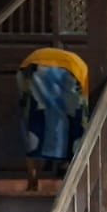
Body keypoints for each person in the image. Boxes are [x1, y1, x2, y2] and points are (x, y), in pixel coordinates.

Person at [18, 46, 90, 191]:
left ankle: (33, 182)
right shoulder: (81, 67)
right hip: (71, 70)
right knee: (75, 125)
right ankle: (72, 181)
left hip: (31, 64)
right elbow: (83, 108)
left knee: (35, 123)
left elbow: (23, 98)